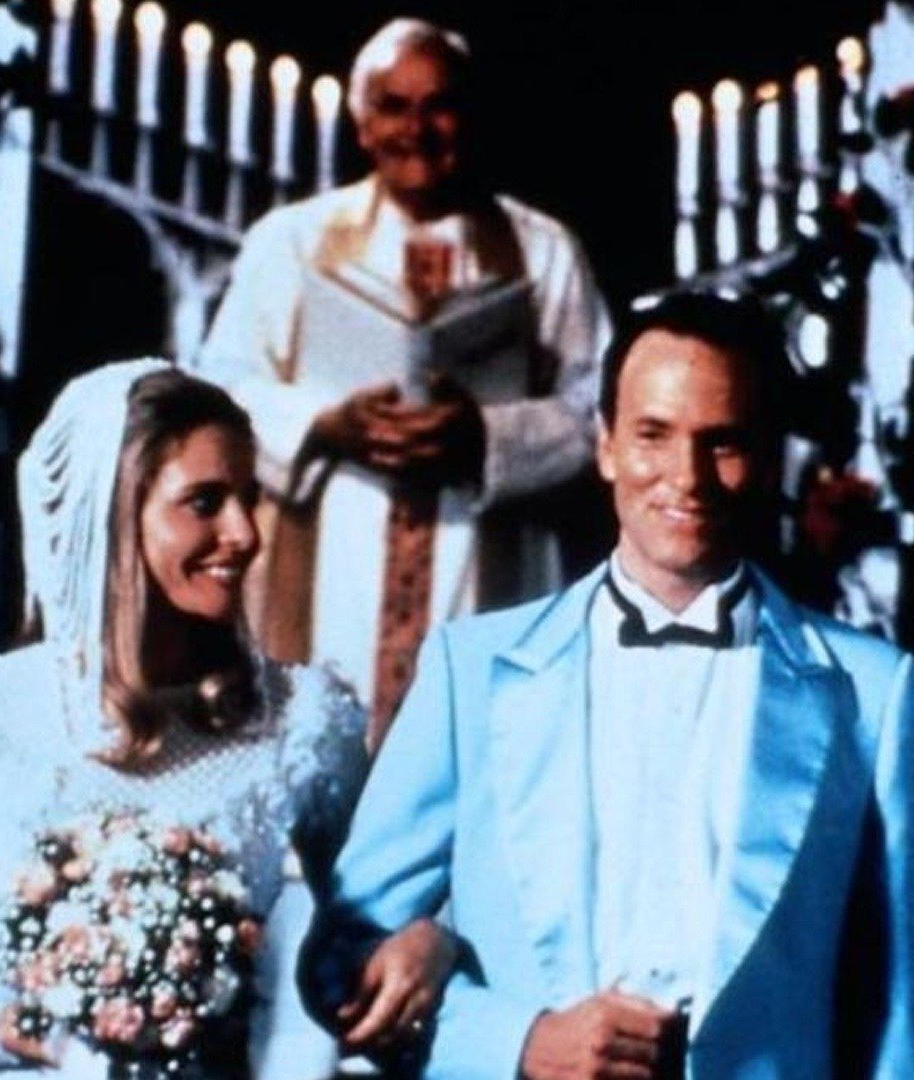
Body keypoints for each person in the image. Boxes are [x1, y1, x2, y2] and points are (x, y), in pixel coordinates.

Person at [304, 294, 914, 1079]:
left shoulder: (872, 692)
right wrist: (519, 1041)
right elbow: (340, 960)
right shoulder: (471, 671)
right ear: (605, 446)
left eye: (724, 442)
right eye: (653, 434)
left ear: (770, 458)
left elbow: (902, 1017)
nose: (687, 477)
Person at [0, 361, 451, 1077]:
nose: (246, 533)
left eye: (249, 499)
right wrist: (15, 1030)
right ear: (112, 514)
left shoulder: (302, 721)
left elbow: (360, 948)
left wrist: (423, 946)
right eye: (205, 502)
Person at [196, 17, 611, 738]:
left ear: (470, 118)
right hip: (332, 560)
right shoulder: (292, 242)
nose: (417, 130)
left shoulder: (545, 251)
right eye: (394, 106)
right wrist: (323, 424)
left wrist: (487, 436)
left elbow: (599, 408)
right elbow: (219, 391)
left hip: (482, 561)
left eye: (440, 106)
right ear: (362, 125)